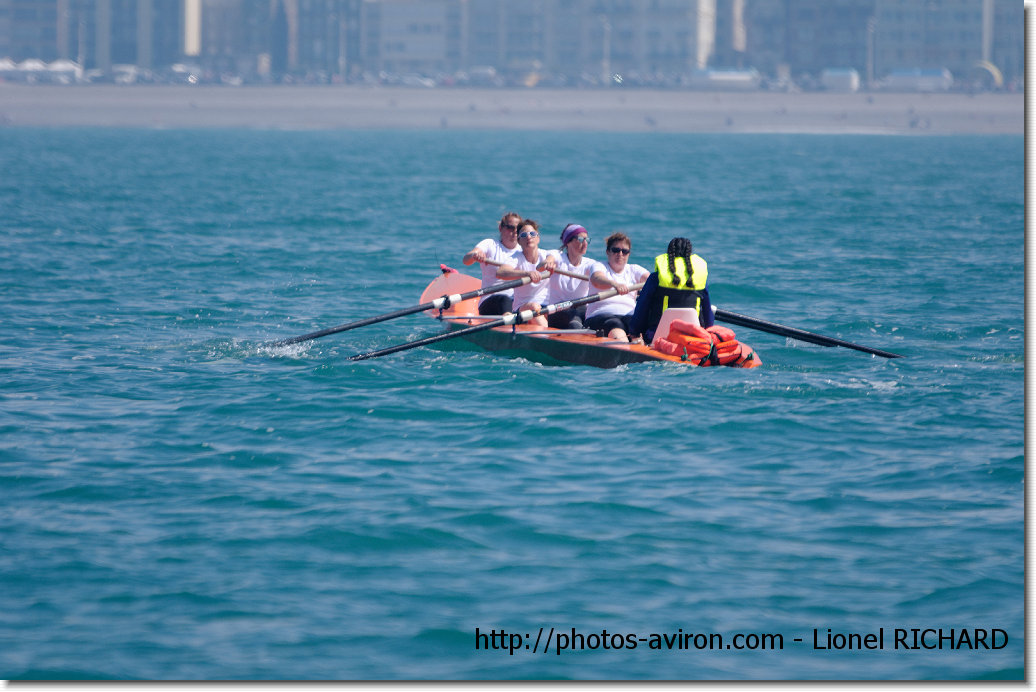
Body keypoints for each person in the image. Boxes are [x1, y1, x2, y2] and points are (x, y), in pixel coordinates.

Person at [629, 236, 713, 343]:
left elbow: (642, 306)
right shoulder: (700, 280)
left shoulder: (656, 278)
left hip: (657, 336)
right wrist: (709, 334)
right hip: (694, 337)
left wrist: (634, 331)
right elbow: (708, 313)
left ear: (669, 254)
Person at [584, 232, 650, 342]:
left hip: (629, 316)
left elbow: (650, 280)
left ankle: (640, 351)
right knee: (616, 325)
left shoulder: (634, 269)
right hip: (599, 316)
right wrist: (615, 284)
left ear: (628, 254)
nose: (620, 254)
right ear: (607, 252)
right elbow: (596, 279)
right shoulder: (599, 266)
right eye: (616, 250)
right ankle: (624, 348)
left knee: (636, 326)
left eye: (624, 251)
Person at [462, 212, 524, 315]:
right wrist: (474, 255)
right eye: (510, 227)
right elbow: (466, 260)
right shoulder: (490, 244)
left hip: (516, 302)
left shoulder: (523, 250)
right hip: (490, 301)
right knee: (504, 299)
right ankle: (509, 323)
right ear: (501, 228)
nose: (514, 232)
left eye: (518, 229)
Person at [539, 223, 595, 330]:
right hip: (557, 310)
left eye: (587, 240)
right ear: (568, 242)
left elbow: (601, 275)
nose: (585, 243)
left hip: (580, 309)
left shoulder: (590, 264)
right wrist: (548, 264)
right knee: (574, 316)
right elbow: (540, 267)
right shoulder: (557, 256)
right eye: (580, 239)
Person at [495, 219, 550, 327]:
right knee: (534, 307)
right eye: (524, 235)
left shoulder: (548, 256)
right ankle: (550, 338)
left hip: (548, 306)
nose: (529, 237)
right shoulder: (516, 258)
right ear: (519, 241)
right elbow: (501, 272)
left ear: (538, 238)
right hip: (523, 308)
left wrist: (551, 264)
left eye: (532, 234)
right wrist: (527, 273)